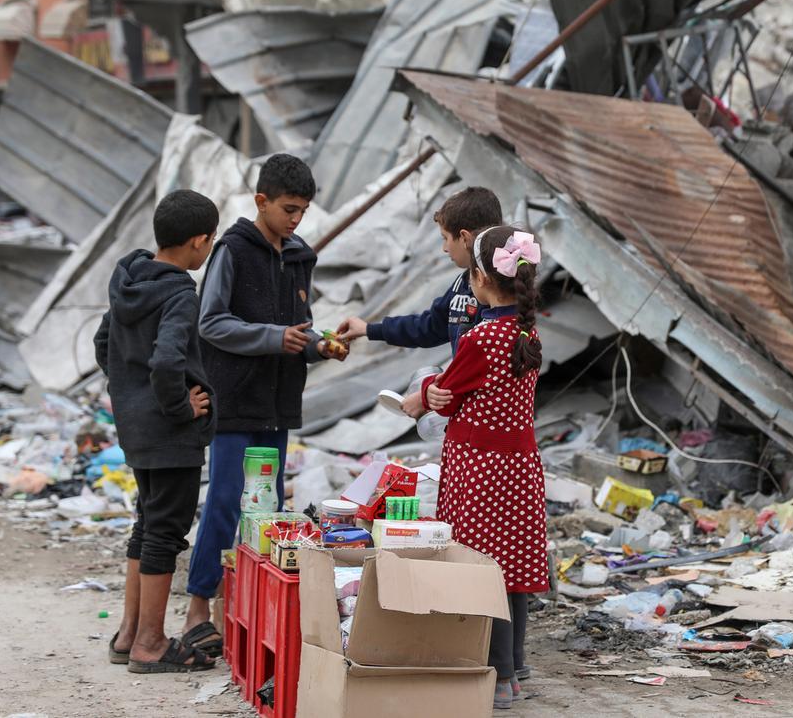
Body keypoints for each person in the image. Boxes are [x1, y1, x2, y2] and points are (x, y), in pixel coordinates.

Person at [182, 153, 347, 656]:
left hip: (278, 404)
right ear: (262, 201)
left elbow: (300, 324)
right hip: (234, 400)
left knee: (269, 510)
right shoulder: (232, 249)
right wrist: (275, 338)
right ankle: (197, 605)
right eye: (289, 209)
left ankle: (253, 607)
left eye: (303, 211)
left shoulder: (300, 256)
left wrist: (320, 344)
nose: (296, 220)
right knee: (227, 498)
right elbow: (210, 323)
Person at [93, 189, 220, 673]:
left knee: (147, 526)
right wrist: (178, 407)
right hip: (171, 435)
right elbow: (169, 361)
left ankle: (129, 634)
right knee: (165, 533)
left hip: (137, 430)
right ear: (197, 242)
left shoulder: (128, 277)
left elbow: (104, 341)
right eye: (209, 242)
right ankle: (150, 642)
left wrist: (130, 395)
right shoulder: (179, 293)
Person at [420, 226, 547, 710]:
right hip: (519, 467)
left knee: (481, 571)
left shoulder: (481, 337)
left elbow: (447, 394)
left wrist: (430, 388)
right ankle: (513, 669)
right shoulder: (525, 331)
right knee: (510, 569)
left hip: (480, 470)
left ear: (478, 278)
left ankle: (495, 677)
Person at [336, 186, 503, 417]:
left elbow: (477, 363)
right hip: (464, 416)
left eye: (445, 239)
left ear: (464, 238)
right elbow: (428, 327)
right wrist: (368, 329)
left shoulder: (499, 300)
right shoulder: (462, 285)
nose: (444, 248)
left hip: (488, 420)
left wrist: (426, 397)